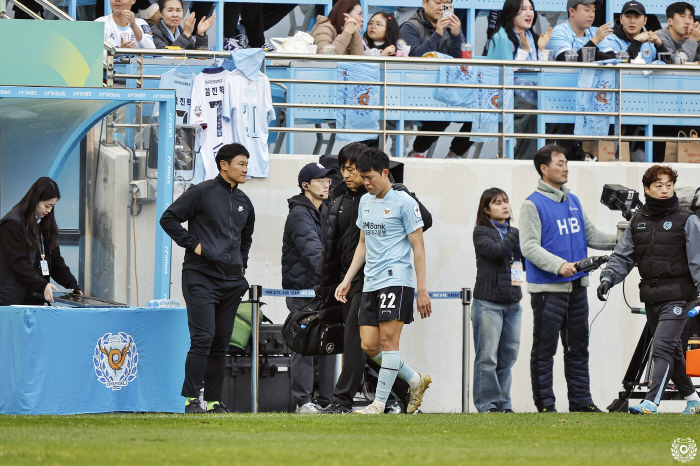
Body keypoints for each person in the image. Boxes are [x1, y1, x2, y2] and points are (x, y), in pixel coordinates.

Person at [520, 144, 616, 413]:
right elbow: (528, 246)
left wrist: (625, 237)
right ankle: (546, 406)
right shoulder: (532, 204)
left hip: (577, 287)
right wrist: (559, 265)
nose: (565, 168)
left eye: (566, 163)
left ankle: (581, 402)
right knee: (545, 350)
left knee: (578, 348)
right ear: (544, 168)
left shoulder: (573, 201)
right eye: (559, 163)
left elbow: (593, 236)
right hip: (548, 290)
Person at [335, 148, 432, 415]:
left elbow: (419, 248)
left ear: (385, 173)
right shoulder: (366, 202)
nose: (366, 183)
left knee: (390, 344)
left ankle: (377, 404)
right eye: (362, 177)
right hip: (371, 282)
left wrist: (421, 290)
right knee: (369, 345)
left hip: (396, 280)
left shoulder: (404, 202)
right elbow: (363, 244)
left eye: (369, 177)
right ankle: (414, 380)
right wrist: (347, 280)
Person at [159, 143, 254, 414]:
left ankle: (213, 402)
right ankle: (191, 400)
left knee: (221, 342)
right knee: (203, 337)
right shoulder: (201, 192)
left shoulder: (245, 202)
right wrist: (194, 244)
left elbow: (245, 238)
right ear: (224, 165)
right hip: (200, 276)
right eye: (241, 164)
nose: (246, 169)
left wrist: (242, 264)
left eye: (247, 164)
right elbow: (169, 219)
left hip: (231, 282)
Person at [597, 166, 700, 415]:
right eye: (658, 185)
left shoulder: (688, 219)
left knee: (662, 347)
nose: (665, 190)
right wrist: (608, 278)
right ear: (646, 189)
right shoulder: (637, 221)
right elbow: (623, 256)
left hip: (680, 295)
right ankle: (693, 398)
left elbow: (698, 259)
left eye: (668, 185)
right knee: (672, 351)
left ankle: (651, 403)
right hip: (651, 295)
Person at [282, 163, 338, 414]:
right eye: (320, 180)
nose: (327, 184)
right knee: (303, 344)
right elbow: (313, 252)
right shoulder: (299, 213)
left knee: (331, 343)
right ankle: (303, 402)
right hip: (303, 290)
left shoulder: (325, 210)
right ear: (306, 185)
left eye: (328, 180)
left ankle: (327, 400)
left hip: (324, 288)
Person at [472, 188, 523, 413]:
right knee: (487, 358)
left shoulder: (514, 233)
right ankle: (487, 405)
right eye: (497, 203)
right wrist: (516, 236)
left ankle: (504, 404)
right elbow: (495, 251)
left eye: (506, 201)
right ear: (486, 209)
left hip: (513, 302)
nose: (505, 206)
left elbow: (521, 263)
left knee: (508, 356)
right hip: (488, 304)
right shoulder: (481, 232)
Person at [401, 0, 471, 159]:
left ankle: (454, 155)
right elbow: (414, 60)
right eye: (438, 2)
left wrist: (457, 35)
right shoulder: (409, 27)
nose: (441, 7)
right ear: (424, 3)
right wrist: (437, 34)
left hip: (444, 92)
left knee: (482, 108)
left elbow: (462, 63)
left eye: (446, 4)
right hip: (416, 91)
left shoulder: (451, 29)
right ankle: (417, 152)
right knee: (441, 110)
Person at [484, 0, 552, 160]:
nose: (529, 13)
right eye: (523, 9)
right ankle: (525, 160)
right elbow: (502, 72)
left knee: (559, 111)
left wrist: (541, 49)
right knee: (531, 112)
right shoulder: (500, 37)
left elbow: (539, 72)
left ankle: (544, 157)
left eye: (531, 9)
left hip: (533, 94)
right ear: (511, 13)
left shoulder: (532, 37)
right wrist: (524, 51)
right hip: (507, 95)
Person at [0, 178, 82, 306]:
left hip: (35, 296)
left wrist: (70, 282)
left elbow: (55, 259)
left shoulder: (44, 222)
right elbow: (17, 263)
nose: (49, 210)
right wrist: (42, 285)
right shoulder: (12, 224)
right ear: (35, 200)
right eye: (47, 205)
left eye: (52, 206)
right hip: (13, 298)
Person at [547, 0, 616, 61]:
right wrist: (595, 40)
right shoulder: (558, 32)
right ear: (572, 11)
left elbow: (612, 59)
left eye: (594, 11)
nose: (592, 15)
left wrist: (594, 54)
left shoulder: (595, 31)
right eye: (587, 10)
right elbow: (567, 61)